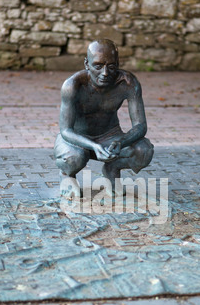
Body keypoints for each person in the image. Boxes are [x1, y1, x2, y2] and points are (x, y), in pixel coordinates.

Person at [54, 38, 154, 198]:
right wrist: (93, 145)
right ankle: (67, 176)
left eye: (112, 66)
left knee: (143, 151)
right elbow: (66, 130)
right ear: (87, 64)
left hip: (110, 137)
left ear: (118, 64)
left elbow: (140, 125)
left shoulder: (128, 83)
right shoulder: (72, 85)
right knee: (73, 158)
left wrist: (121, 142)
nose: (105, 73)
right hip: (77, 139)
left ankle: (112, 169)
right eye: (98, 66)